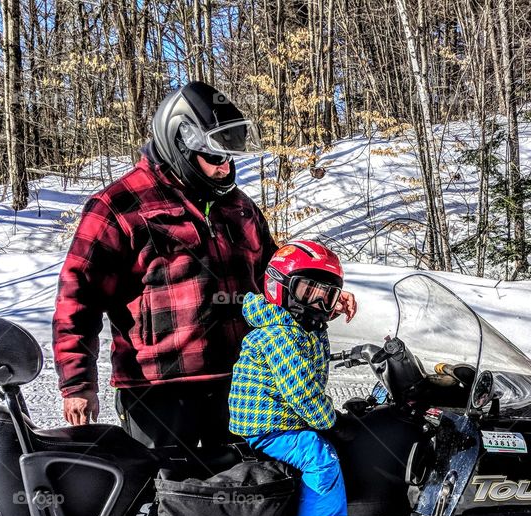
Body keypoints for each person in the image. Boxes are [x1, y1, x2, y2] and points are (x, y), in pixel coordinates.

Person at [52, 81, 356, 449]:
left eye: (229, 157)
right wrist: (78, 384)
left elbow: (277, 278)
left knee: (253, 495)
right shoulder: (120, 206)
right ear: (179, 145)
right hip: (159, 390)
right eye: (214, 157)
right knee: (163, 497)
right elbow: (76, 298)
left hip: (244, 383)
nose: (224, 168)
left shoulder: (239, 207)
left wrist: (322, 296)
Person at [228, 240, 352, 516]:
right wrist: (333, 422)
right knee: (320, 455)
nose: (316, 301)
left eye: (325, 294)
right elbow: (301, 391)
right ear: (279, 287)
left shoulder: (299, 326)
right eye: (307, 289)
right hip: (266, 426)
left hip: (278, 420)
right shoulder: (281, 333)